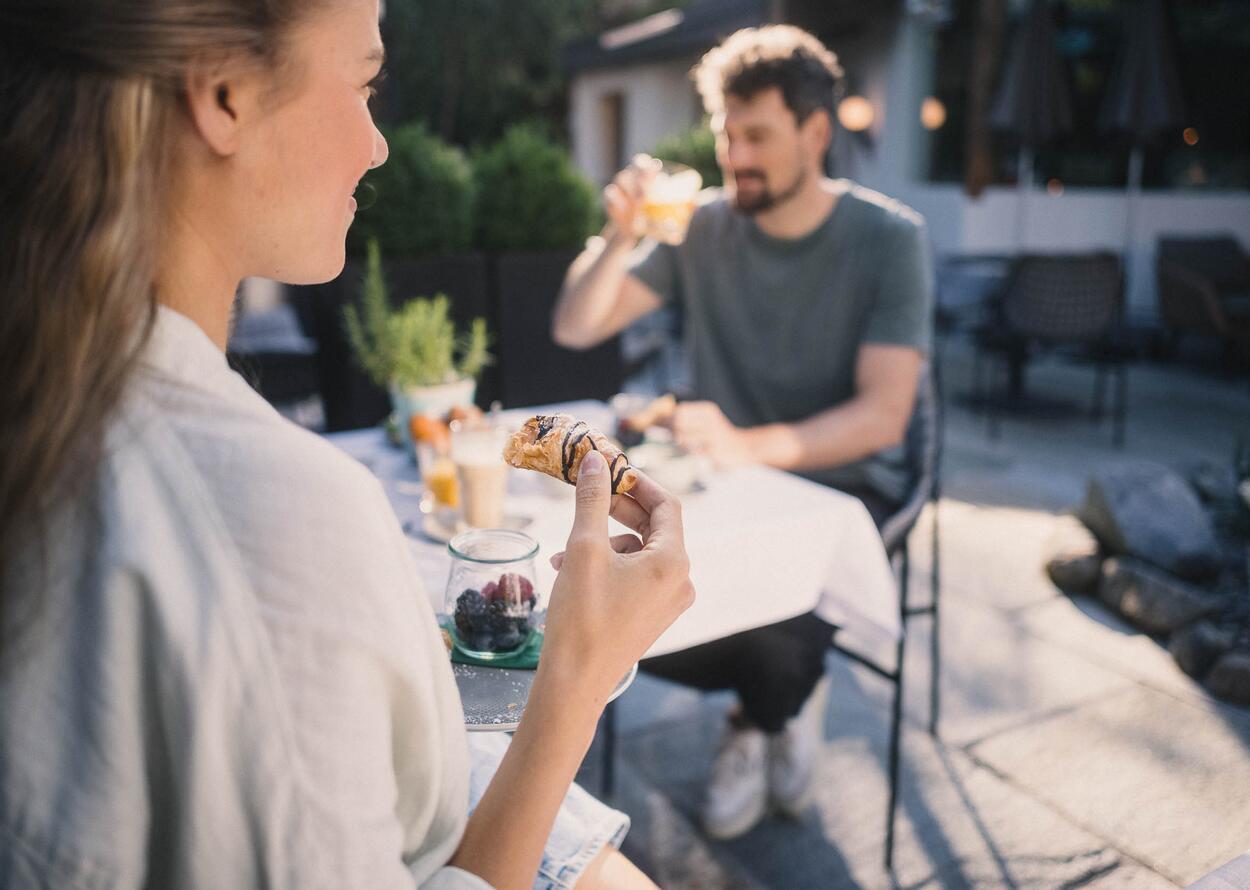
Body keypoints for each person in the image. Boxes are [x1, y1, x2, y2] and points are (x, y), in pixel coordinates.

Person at [0, 2, 694, 888]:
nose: (379, 144)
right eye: (364, 83)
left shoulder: (56, 397)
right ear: (224, 93)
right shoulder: (269, 516)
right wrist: (580, 675)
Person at [552, 25, 932, 840]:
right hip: (722, 490)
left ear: (816, 133)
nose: (736, 156)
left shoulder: (890, 239)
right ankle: (781, 705)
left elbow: (885, 415)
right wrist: (621, 234)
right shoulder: (703, 226)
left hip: (845, 488)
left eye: (757, 135)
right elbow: (578, 325)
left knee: (773, 634)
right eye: (728, 135)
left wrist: (744, 444)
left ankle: (762, 716)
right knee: (599, 594)